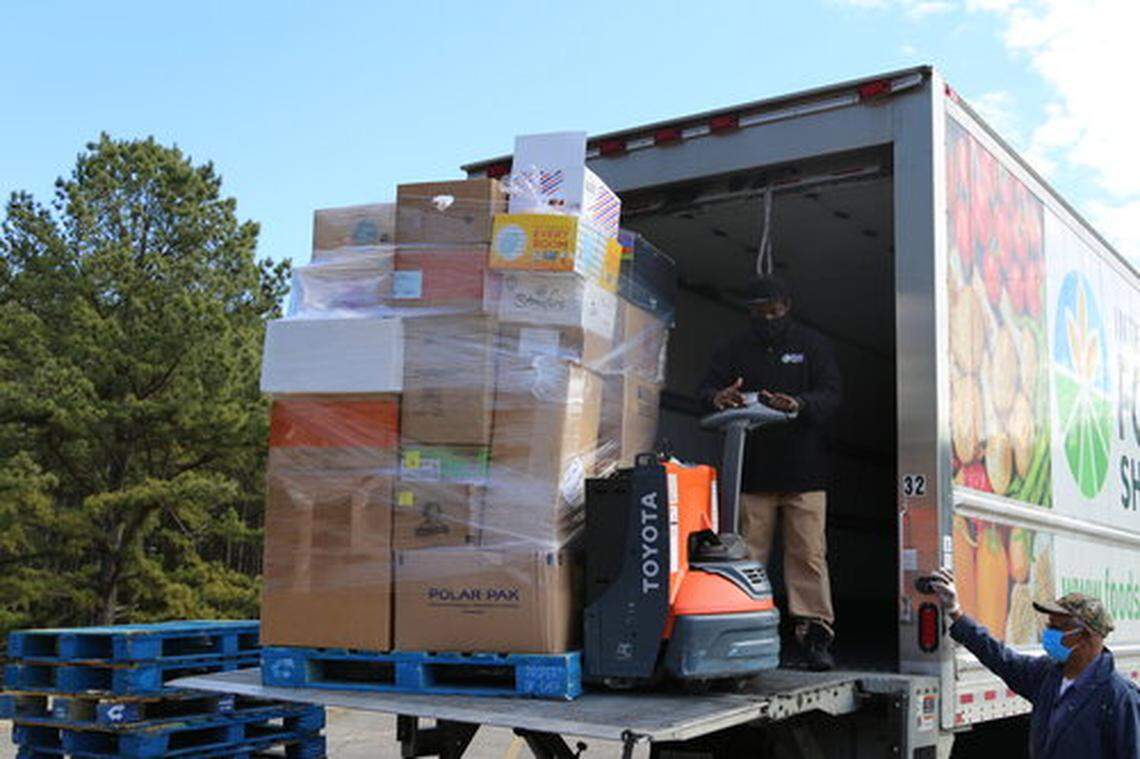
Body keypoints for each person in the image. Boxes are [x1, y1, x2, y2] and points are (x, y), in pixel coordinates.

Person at [699, 275, 842, 671]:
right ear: (749, 311)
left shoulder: (812, 345)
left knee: (808, 555)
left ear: (787, 306)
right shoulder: (733, 347)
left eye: (774, 311)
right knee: (748, 553)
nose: (767, 318)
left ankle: (815, 636)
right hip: (752, 470)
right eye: (759, 312)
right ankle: (745, 628)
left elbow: (832, 394)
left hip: (805, 471)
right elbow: (705, 390)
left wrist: (798, 404)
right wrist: (717, 397)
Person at [929, 568, 1139, 758]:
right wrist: (956, 611)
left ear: (1085, 636)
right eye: (1048, 626)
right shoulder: (1045, 674)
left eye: (1056, 628)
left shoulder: (1119, 697)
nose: (1048, 634)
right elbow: (999, 657)